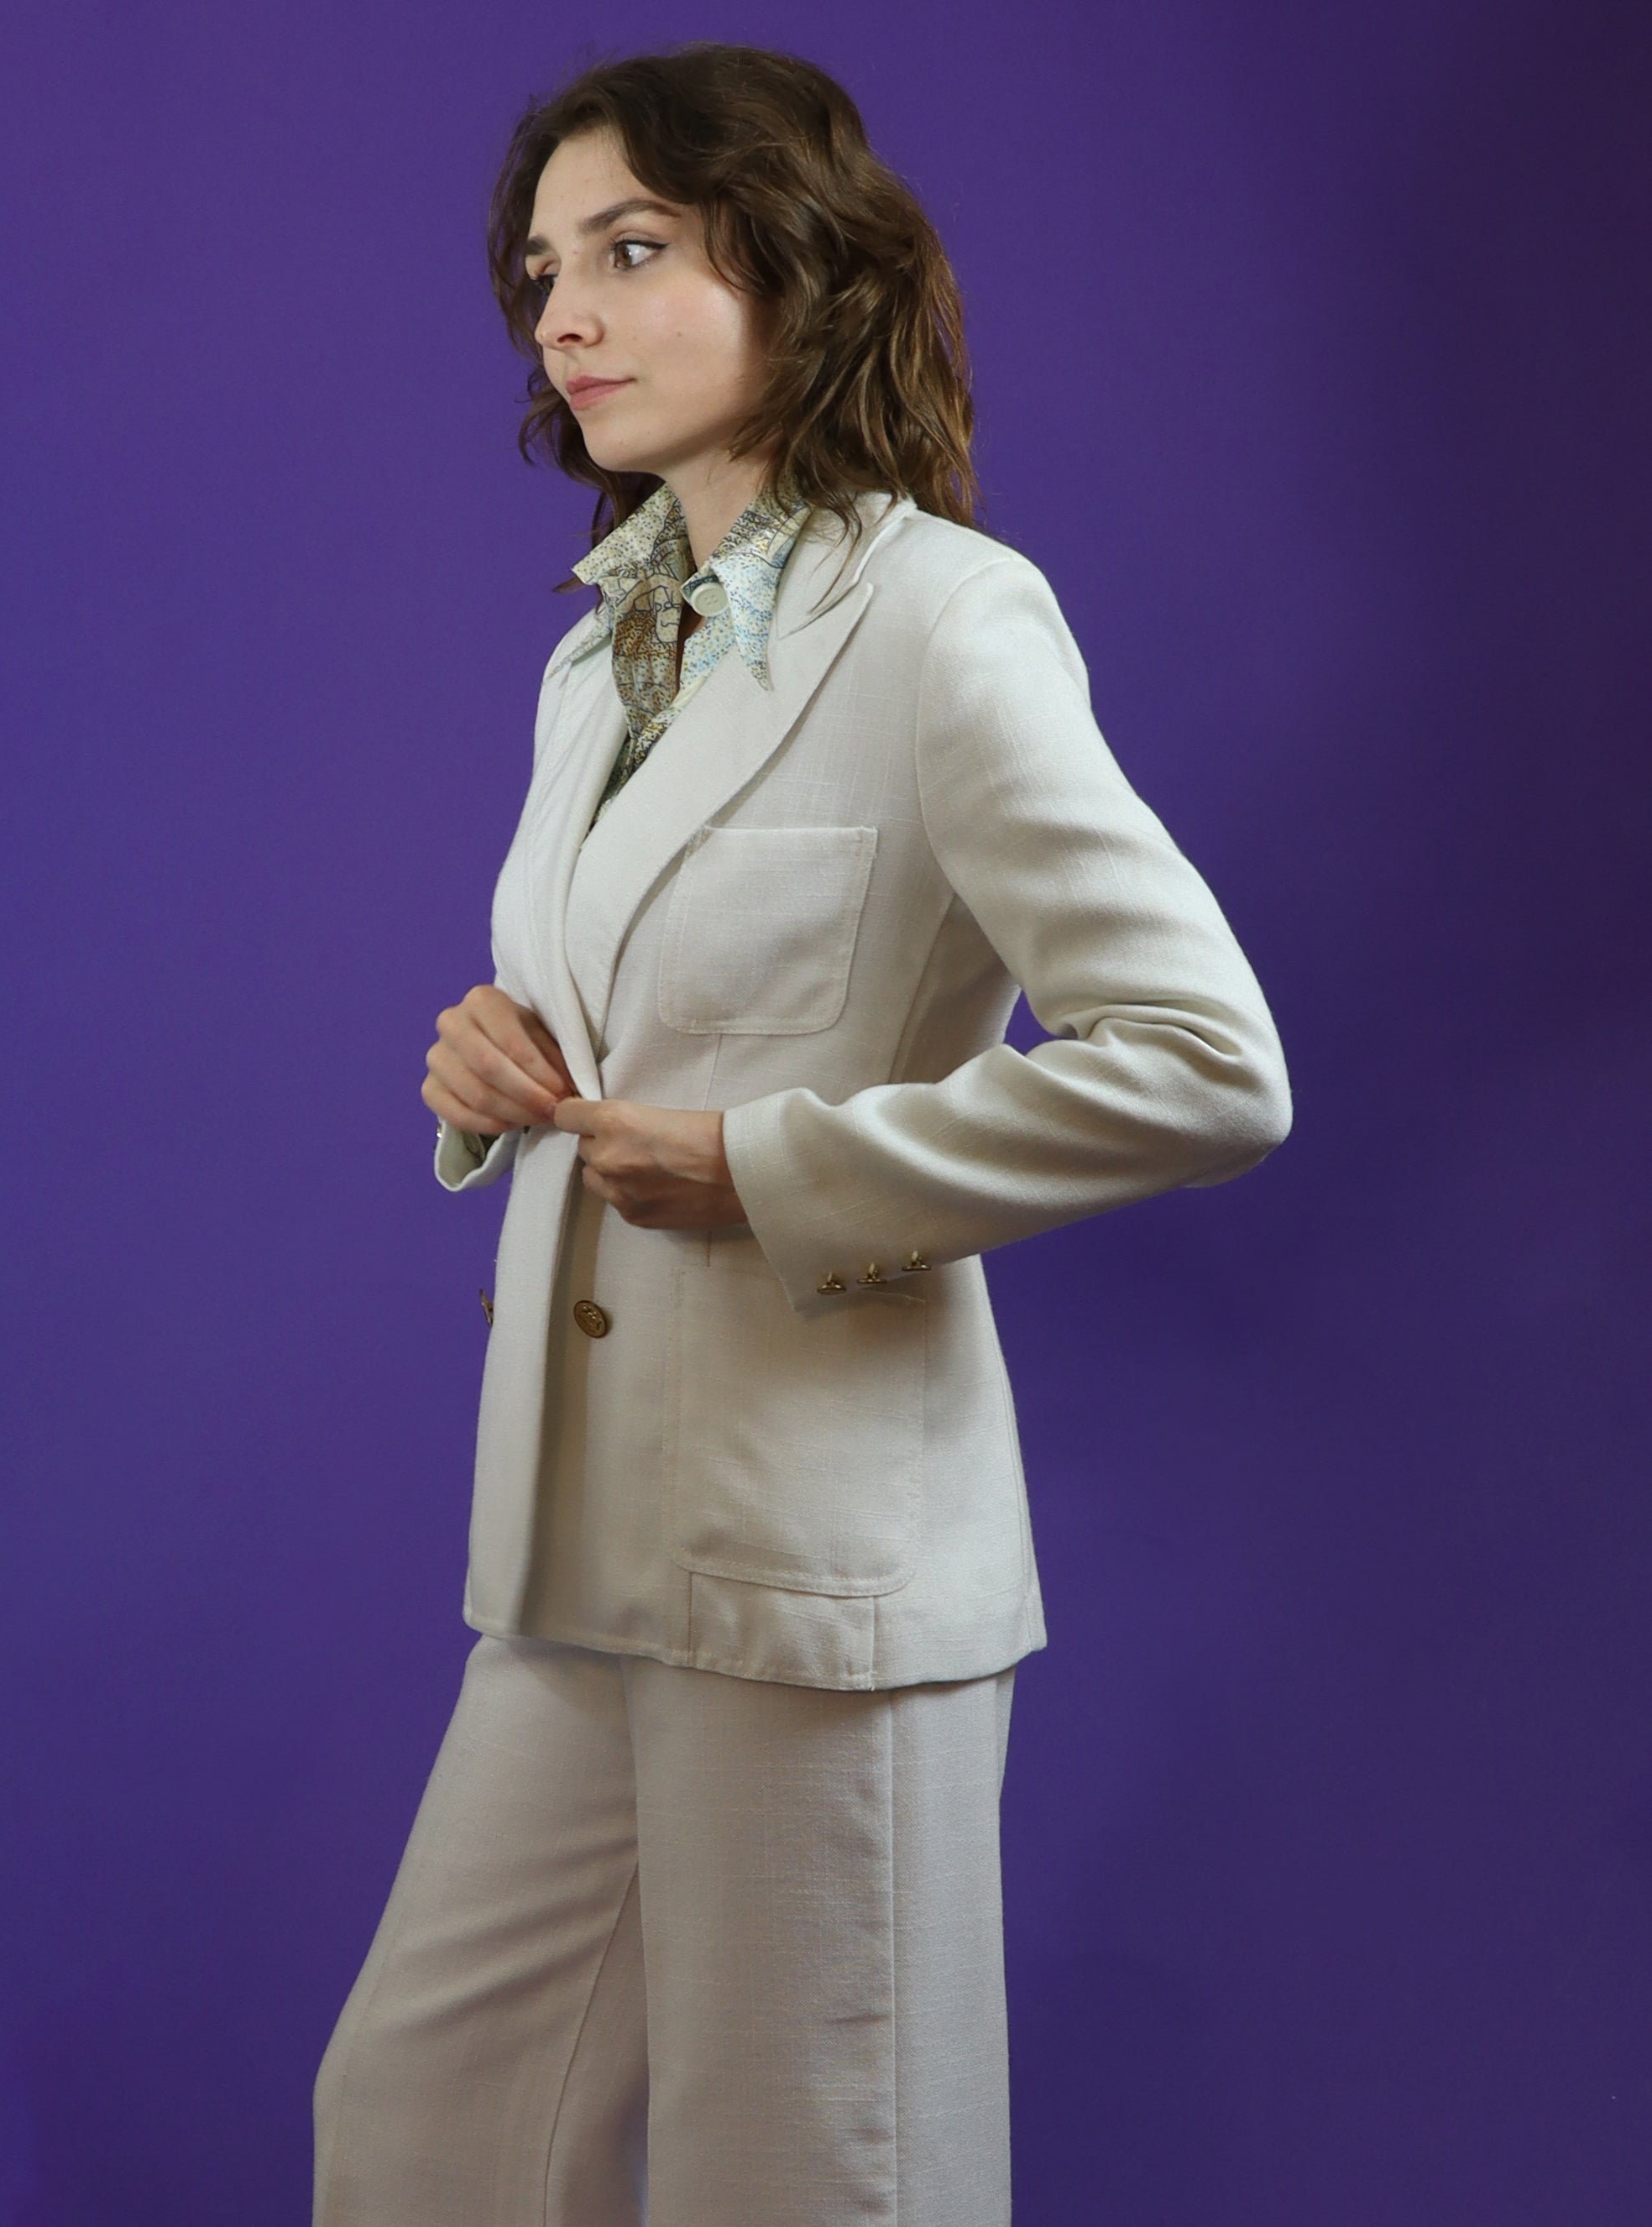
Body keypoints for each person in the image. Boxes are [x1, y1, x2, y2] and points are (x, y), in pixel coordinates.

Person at [312, 40, 1290, 2227]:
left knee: (813, 2181)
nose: (562, 316)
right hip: (579, 1551)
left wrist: (770, 1173)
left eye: (629, 250)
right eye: (542, 270)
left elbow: (1205, 1060)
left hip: (814, 1552)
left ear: (795, 265)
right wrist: (492, 1069)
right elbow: (636, 1006)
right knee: (420, 2129)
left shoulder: (944, 620)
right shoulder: (599, 662)